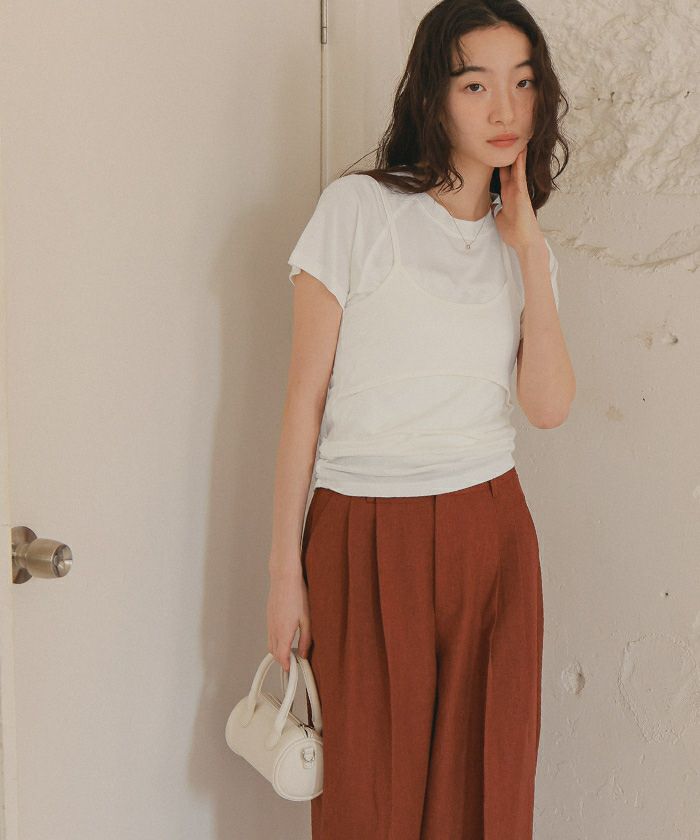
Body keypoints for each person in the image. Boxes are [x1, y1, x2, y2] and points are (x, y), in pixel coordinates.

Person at [267, 0, 576, 837]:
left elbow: (548, 408)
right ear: (434, 97)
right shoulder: (358, 210)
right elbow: (303, 400)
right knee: (369, 800)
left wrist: (530, 251)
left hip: (490, 531)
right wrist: (284, 572)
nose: (505, 108)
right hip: (363, 531)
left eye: (523, 83)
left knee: (486, 794)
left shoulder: (525, 249)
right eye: (476, 85)